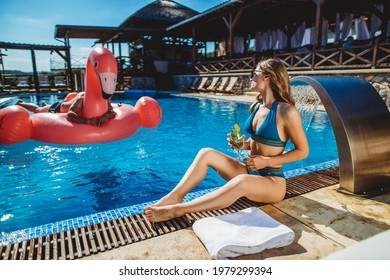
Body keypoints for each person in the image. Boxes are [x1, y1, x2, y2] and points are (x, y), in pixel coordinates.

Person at [144, 58, 309, 222]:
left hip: (271, 182)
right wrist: (242, 145)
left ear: (267, 77)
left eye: (255, 74)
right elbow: (260, 143)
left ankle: (179, 210)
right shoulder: (258, 107)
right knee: (206, 153)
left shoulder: (287, 111)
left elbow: (303, 151)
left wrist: (267, 161)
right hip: (249, 171)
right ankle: (175, 197)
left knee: (241, 181)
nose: (251, 78)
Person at [16, 92, 115, 127]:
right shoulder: (82, 99)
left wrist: (106, 115)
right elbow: (70, 114)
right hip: (57, 108)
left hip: (67, 104)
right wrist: (88, 121)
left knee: (43, 107)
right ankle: (21, 103)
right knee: (38, 109)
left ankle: (45, 105)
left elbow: (111, 111)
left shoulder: (103, 97)